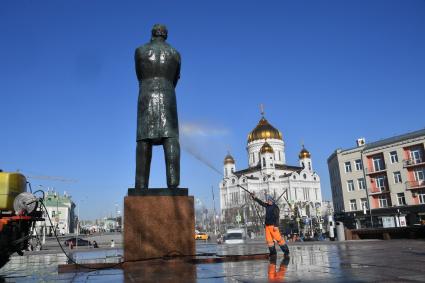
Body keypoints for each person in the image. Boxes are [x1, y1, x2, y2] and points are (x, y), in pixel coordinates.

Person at [251, 193, 290, 258]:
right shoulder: (267, 205)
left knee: (279, 239)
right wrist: (254, 198)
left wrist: (276, 226)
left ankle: (286, 251)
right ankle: (273, 253)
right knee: (269, 241)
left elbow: (277, 217)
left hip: (273, 226)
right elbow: (261, 202)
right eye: (267, 200)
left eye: (269, 200)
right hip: (267, 226)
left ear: (272, 201)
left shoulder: (275, 207)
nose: (268, 201)